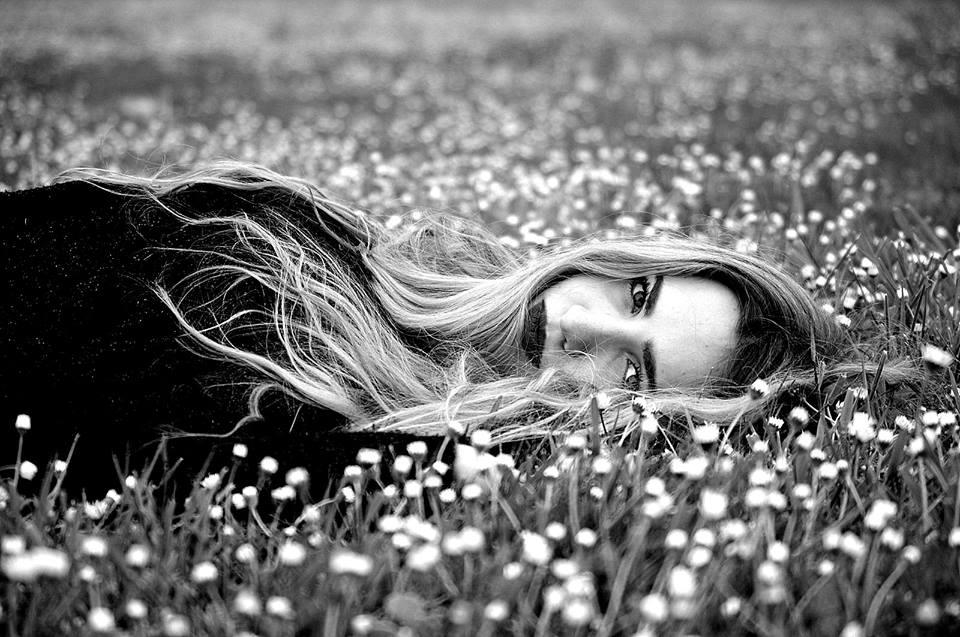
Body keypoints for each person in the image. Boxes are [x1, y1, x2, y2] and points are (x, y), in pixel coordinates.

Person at [0, 163, 916, 493]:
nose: (580, 323)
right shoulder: (293, 230)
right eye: (637, 295)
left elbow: (170, 463)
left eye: (632, 375)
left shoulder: (363, 443)